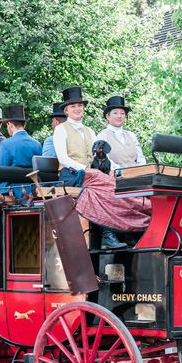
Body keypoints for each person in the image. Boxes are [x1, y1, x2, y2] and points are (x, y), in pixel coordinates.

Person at [53, 86, 124, 250]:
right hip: (70, 175)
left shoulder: (90, 131)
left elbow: (99, 157)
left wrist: (115, 170)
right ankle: (108, 235)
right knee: (103, 185)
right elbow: (63, 158)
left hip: (91, 174)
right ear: (66, 111)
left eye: (79, 106)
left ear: (83, 108)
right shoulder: (60, 130)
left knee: (113, 182)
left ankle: (118, 229)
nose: (77, 109)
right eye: (73, 107)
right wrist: (86, 168)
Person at [95, 95, 146, 171]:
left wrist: (141, 171)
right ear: (108, 116)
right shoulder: (102, 136)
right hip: (115, 177)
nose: (119, 116)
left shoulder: (131, 135)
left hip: (137, 175)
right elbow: (104, 160)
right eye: (115, 113)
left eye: (122, 113)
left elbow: (140, 158)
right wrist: (121, 172)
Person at [0, 104, 42, 168]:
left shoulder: (6, 144)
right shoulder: (37, 144)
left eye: (7, 125)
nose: (7, 128)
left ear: (10, 124)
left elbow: (0, 171)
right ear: (24, 125)